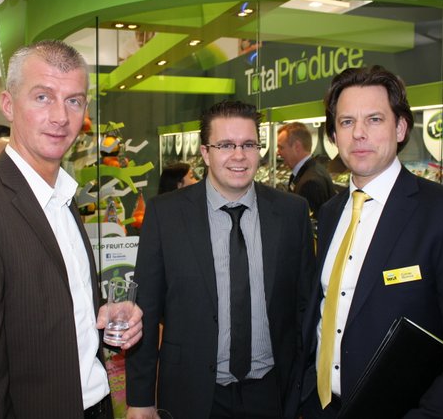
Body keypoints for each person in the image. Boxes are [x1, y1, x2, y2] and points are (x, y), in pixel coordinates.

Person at [0, 40, 143, 419]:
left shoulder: (64, 197)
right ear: (8, 105)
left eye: (73, 101)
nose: (60, 117)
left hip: (96, 404)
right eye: (43, 97)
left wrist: (98, 316)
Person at [292, 65, 443, 418]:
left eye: (374, 119)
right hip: (320, 408)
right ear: (333, 135)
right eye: (346, 122)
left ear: (401, 127)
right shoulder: (330, 213)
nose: (359, 133)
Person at [126, 100, 315, 419]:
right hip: (192, 393)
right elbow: (145, 310)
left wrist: (305, 386)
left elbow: (304, 306)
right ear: (205, 153)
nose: (239, 155)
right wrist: (140, 398)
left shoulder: (291, 212)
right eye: (226, 145)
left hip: (271, 393)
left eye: (248, 144)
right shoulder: (166, 214)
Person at [277, 122, 335, 216]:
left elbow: (308, 222)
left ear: (297, 147)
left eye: (281, 147)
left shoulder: (311, 183)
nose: (277, 152)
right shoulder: (311, 171)